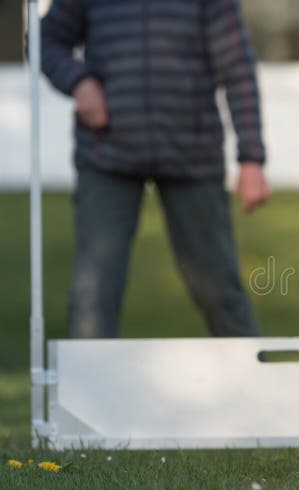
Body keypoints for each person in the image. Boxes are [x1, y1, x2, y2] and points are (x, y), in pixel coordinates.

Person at [40, 0, 269, 338]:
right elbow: (45, 41)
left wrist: (251, 158)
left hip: (193, 155)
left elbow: (236, 67)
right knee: (93, 293)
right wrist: (79, 82)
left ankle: (254, 385)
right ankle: (84, 390)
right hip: (106, 155)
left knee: (220, 289)